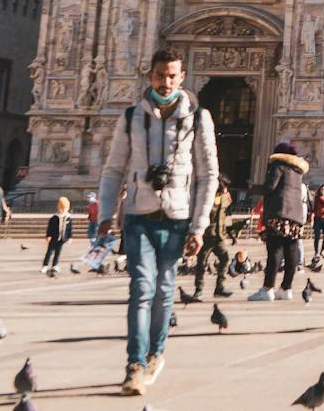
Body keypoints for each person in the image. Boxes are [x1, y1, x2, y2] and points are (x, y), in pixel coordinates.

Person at [96, 46, 219, 396]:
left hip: (176, 216)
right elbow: (113, 169)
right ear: (150, 76)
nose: (166, 82)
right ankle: (135, 363)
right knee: (141, 287)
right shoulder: (132, 115)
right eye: (160, 75)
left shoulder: (197, 117)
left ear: (181, 78)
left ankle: (156, 353)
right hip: (137, 214)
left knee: (164, 290)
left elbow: (208, 174)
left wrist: (199, 225)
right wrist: (106, 213)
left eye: (172, 76)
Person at [250, 141, 308, 300]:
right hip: (295, 216)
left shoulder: (279, 166)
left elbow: (269, 187)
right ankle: (286, 288)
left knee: (275, 250)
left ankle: (267, 289)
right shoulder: (297, 172)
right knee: (291, 251)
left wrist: (253, 187)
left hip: (279, 213)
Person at [193, 178, 233, 300]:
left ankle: (220, 287)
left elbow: (227, 215)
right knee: (201, 263)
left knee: (225, 258)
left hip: (219, 235)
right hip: (206, 236)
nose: (226, 189)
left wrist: (230, 234)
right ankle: (198, 290)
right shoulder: (206, 198)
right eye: (224, 187)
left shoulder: (225, 198)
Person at [42, 197, 74, 274]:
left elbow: (70, 228)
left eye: (65, 208)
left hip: (62, 238)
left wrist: (70, 237)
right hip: (54, 237)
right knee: (49, 252)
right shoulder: (54, 217)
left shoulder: (68, 218)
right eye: (62, 208)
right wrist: (48, 235)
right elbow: (50, 227)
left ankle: (54, 265)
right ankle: (45, 265)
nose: (64, 210)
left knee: (58, 253)